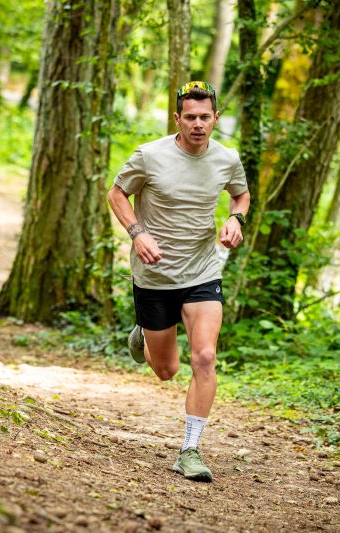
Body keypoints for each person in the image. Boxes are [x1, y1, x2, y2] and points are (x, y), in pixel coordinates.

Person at [107, 81, 250, 482]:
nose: (198, 124)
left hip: (203, 270)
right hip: (154, 274)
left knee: (204, 357)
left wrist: (235, 219)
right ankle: (142, 335)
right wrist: (138, 234)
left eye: (205, 117)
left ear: (216, 118)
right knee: (166, 369)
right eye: (190, 117)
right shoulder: (149, 156)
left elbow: (241, 195)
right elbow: (116, 194)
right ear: (177, 119)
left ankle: (190, 449)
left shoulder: (227, 159)